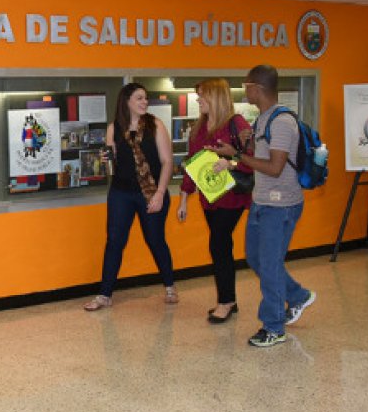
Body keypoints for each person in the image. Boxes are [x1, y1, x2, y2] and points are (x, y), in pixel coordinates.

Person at [208, 65, 316, 347]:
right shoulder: (263, 119)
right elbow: (262, 158)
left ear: (256, 88)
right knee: (256, 258)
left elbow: (275, 167)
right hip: (261, 202)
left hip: (280, 206)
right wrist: (244, 149)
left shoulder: (281, 122)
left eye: (246, 85)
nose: (245, 90)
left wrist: (238, 156)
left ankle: (274, 326)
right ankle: (299, 295)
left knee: (269, 265)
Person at [84, 83, 177, 311]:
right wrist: (106, 160)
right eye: (139, 98)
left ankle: (170, 286)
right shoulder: (113, 128)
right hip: (121, 192)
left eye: (146, 98)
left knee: (155, 240)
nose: (145, 102)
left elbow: (167, 162)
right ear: (127, 101)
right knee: (114, 241)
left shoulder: (156, 125)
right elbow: (112, 166)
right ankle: (105, 295)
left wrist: (160, 193)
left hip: (151, 191)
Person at [177, 79, 253, 323]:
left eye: (202, 96)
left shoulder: (236, 123)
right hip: (209, 198)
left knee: (218, 244)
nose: (198, 100)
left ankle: (226, 302)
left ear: (216, 97)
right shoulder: (199, 128)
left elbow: (253, 157)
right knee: (221, 245)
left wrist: (230, 162)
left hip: (232, 197)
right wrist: (183, 198)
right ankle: (229, 298)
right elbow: (192, 164)